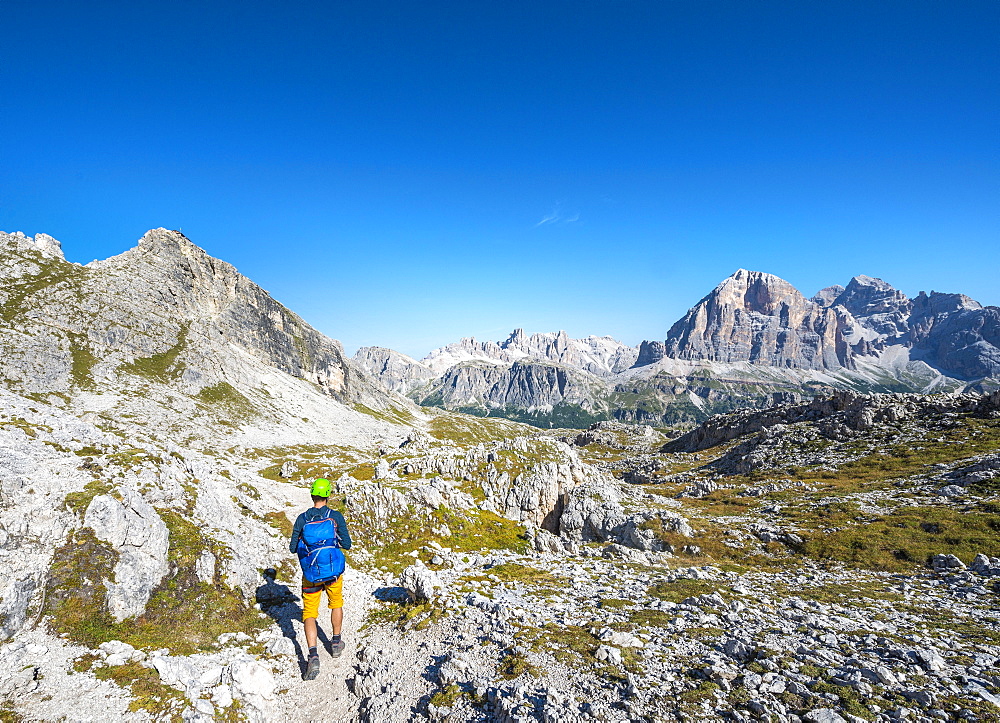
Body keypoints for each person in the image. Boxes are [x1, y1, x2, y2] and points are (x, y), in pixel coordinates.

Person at [289, 477, 352, 681]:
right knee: (336, 602)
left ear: (312, 494)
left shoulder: (302, 519)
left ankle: (313, 655)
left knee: (309, 612)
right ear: (328, 495)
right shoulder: (335, 517)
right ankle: (335, 642)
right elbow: (347, 544)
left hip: (312, 575)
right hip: (333, 571)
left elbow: (292, 548)